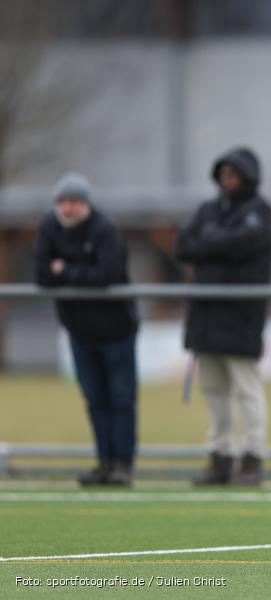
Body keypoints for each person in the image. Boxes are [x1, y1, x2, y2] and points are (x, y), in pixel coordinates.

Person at [176, 147, 271, 487]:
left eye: (233, 174)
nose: (227, 180)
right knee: (214, 390)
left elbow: (243, 244)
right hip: (206, 316)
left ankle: (252, 457)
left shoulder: (260, 211)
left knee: (247, 389)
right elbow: (183, 245)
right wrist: (219, 243)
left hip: (241, 316)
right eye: (223, 174)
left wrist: (208, 242)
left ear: (247, 177)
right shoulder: (208, 209)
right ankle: (219, 456)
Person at [34, 171, 139, 486]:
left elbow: (107, 274)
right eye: (63, 202)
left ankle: (122, 465)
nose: (68, 208)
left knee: (121, 399)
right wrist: (79, 272)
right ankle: (104, 463)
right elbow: (42, 275)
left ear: (86, 204)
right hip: (79, 330)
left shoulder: (105, 229)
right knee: (95, 400)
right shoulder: (48, 227)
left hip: (116, 330)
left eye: (74, 202)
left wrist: (65, 270)